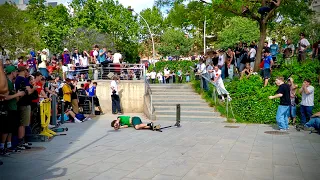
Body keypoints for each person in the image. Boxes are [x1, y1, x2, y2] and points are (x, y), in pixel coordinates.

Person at [1, 66, 25, 155]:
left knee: (11, 128)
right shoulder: (7, 83)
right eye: (15, 71)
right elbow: (5, 97)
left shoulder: (11, 82)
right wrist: (17, 94)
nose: (17, 73)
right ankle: (2, 147)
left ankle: (9, 145)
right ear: (12, 72)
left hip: (13, 107)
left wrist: (19, 94)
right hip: (8, 109)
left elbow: (14, 97)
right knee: (6, 129)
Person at [15, 66, 36, 149]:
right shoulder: (23, 79)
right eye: (26, 71)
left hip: (21, 103)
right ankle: (21, 141)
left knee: (23, 124)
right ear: (23, 71)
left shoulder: (17, 79)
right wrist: (33, 88)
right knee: (23, 124)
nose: (27, 72)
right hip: (24, 104)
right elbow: (29, 92)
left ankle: (22, 141)